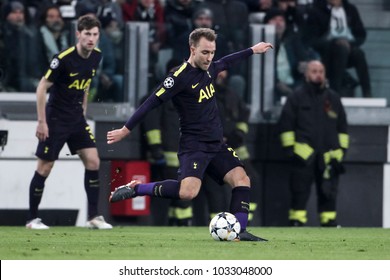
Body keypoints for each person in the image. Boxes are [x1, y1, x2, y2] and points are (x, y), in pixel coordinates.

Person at [107, 27, 273, 241]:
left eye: (212, 52)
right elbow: (149, 103)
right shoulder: (178, 77)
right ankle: (137, 189)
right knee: (188, 193)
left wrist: (253, 50)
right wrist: (125, 129)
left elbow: (227, 62)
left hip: (216, 144)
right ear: (192, 49)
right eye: (205, 52)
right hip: (194, 145)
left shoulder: (210, 69)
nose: (209, 58)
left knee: (242, 179)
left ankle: (239, 232)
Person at [26, 14, 112, 230]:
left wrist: (83, 108)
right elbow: (41, 88)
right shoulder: (63, 58)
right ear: (78, 34)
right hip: (55, 118)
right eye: (87, 34)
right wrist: (41, 121)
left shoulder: (96, 56)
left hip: (76, 118)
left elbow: (85, 83)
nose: (91, 39)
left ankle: (93, 217)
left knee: (93, 161)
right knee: (45, 167)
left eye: (94, 35)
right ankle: (32, 219)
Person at [278, 60, 349, 227]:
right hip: (303, 155)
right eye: (314, 71)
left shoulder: (333, 98)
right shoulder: (296, 97)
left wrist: (341, 152)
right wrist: (291, 150)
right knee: (299, 191)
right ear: (306, 74)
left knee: (329, 192)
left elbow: (342, 127)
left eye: (321, 71)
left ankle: (329, 221)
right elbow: (286, 125)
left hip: (329, 155)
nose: (318, 74)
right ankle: (297, 221)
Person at [305, 0, 371, 97]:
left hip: (348, 46)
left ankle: (367, 93)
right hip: (326, 50)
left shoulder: (350, 10)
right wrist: (334, 42)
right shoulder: (316, 10)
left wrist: (350, 44)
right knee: (341, 49)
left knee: (359, 54)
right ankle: (335, 91)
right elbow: (311, 39)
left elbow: (361, 34)